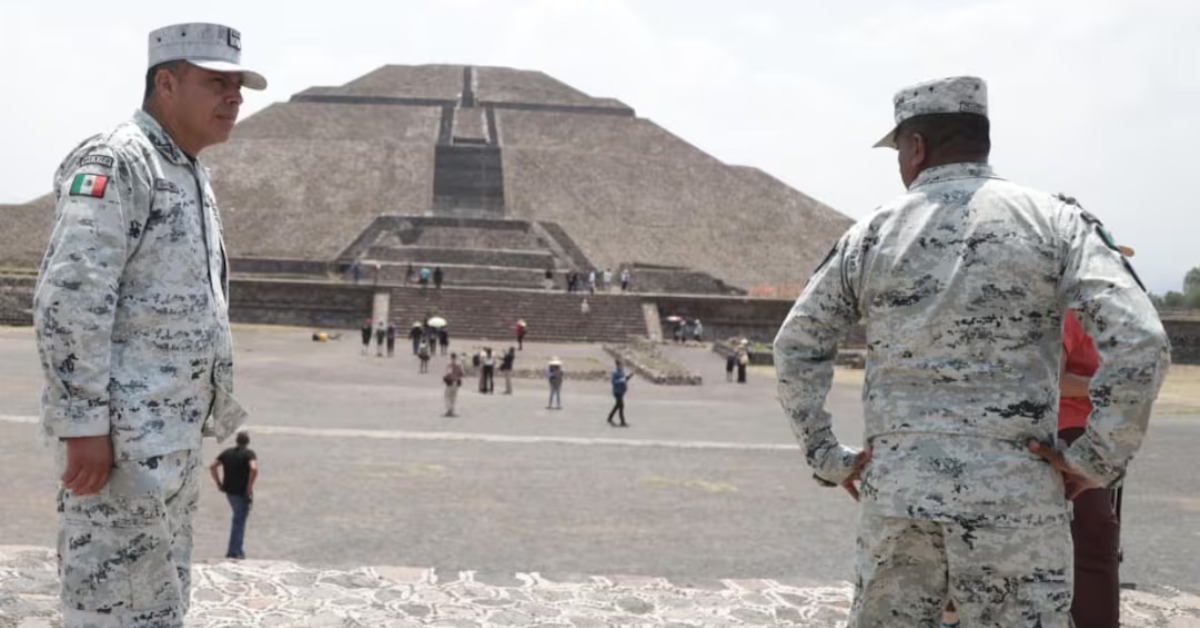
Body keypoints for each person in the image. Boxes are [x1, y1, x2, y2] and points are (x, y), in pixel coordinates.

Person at [773, 76, 1169, 627]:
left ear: (916, 147)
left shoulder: (871, 234)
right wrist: (1096, 459)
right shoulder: (1054, 222)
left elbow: (795, 346)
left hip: (899, 495)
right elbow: (1141, 341)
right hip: (1015, 495)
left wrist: (826, 457)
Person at [32, 23, 263, 627]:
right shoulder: (119, 161)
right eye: (216, 82)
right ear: (166, 82)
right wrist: (82, 423)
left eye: (238, 83)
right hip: (120, 447)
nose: (234, 96)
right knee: (110, 607)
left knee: (156, 603)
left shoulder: (187, 171)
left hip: (169, 442)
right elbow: (70, 298)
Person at [209, 431, 258, 560]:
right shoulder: (249, 454)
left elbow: (213, 466)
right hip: (242, 492)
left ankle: (236, 549)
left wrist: (218, 482)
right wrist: (250, 486)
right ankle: (234, 551)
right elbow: (253, 468)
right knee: (239, 521)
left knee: (237, 518)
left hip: (229, 491)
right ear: (247, 442)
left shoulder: (227, 453)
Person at [607, 358, 633, 427]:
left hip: (621, 391)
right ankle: (622, 422)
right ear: (618, 365)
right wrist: (621, 380)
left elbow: (624, 380)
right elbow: (614, 382)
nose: (622, 366)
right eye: (621, 365)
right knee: (621, 406)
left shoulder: (622, 371)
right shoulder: (615, 372)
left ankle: (609, 418)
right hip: (617, 391)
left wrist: (628, 377)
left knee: (617, 406)